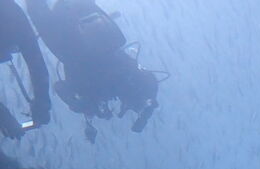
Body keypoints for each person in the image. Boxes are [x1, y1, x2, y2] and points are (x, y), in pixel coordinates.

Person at [26, 0, 158, 140]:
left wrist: (147, 106)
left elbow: (149, 81)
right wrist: (80, 105)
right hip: (69, 47)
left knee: (42, 12)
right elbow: (60, 87)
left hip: (77, 36)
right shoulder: (119, 81)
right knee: (39, 12)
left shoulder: (125, 76)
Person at [0, 0, 50, 139]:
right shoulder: (14, 15)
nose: (9, 55)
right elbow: (36, 62)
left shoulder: (13, 17)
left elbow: (36, 63)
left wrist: (42, 101)